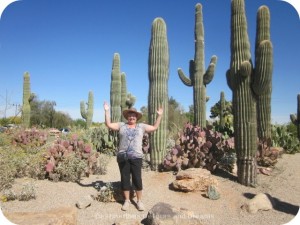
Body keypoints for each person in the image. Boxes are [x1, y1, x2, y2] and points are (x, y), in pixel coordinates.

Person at [103, 101, 163, 211]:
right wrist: (107, 111)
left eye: (133, 115)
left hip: (136, 157)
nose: (132, 117)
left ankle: (139, 201)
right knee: (125, 179)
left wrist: (159, 115)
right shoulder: (122, 125)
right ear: (127, 117)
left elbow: (154, 127)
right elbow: (109, 124)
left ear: (136, 117)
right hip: (123, 157)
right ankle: (127, 201)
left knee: (137, 179)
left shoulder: (142, 126)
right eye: (130, 115)